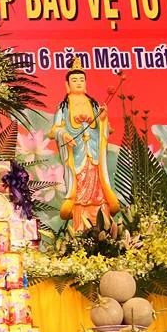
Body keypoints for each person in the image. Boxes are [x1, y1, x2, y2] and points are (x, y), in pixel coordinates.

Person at [48, 58, 120, 231]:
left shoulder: (93, 104)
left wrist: (103, 118)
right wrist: (64, 134)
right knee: (79, 191)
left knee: (99, 190)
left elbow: (105, 128)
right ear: (67, 85)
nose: (79, 83)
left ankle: (104, 227)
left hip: (94, 154)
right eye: (74, 80)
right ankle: (81, 229)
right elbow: (54, 130)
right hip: (76, 155)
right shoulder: (64, 107)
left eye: (81, 79)